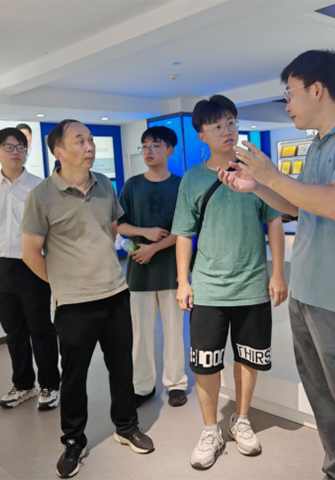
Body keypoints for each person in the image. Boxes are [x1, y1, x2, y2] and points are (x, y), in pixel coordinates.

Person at [218, 50, 335, 479]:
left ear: (317, 89)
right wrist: (256, 187)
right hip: (307, 294)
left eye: (290, 93)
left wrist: (270, 175)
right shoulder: (319, 143)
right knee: (325, 403)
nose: (287, 105)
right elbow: (302, 205)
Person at [21, 119, 154, 479]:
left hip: (115, 293)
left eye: (91, 140)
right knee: (74, 376)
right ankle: (73, 441)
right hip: (74, 304)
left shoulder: (104, 184)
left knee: (121, 367)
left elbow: (110, 229)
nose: (90, 146)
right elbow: (31, 254)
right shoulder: (41, 196)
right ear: (59, 152)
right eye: (80, 140)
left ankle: (126, 426)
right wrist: (64, 283)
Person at [172, 95, 288, 470]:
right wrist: (183, 281)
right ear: (202, 135)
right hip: (208, 287)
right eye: (218, 126)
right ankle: (211, 430)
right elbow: (183, 233)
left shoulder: (256, 171)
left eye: (231, 123)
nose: (227, 131)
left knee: (248, 357)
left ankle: (242, 419)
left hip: (252, 285)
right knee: (206, 363)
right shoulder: (193, 179)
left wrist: (278, 272)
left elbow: (274, 222)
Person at [0, 127, 60, 410]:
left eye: (21, 147)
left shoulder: (41, 186)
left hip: (31, 265)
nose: (16, 152)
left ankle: (50, 384)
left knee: (40, 328)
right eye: (8, 147)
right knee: (13, 331)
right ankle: (23, 385)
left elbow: (53, 231)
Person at [117, 126, 188, 408]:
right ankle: (143, 385)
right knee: (141, 334)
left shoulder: (181, 185)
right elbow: (118, 224)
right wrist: (144, 233)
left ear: (170, 150)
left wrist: (154, 248)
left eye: (155, 145)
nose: (148, 151)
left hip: (172, 270)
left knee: (174, 332)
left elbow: (185, 229)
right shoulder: (132, 185)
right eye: (144, 146)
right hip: (139, 271)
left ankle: (176, 383)